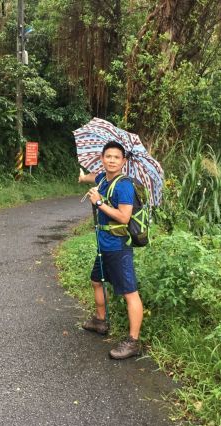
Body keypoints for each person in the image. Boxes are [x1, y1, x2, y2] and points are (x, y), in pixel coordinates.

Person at [78, 141, 143, 360]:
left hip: (118, 247)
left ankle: (133, 342)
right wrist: (82, 177)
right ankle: (100, 320)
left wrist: (98, 203)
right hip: (103, 246)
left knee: (129, 292)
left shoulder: (124, 185)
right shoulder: (102, 179)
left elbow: (124, 217)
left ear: (123, 161)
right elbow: (92, 176)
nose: (112, 160)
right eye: (108, 156)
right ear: (102, 158)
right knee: (97, 280)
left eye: (116, 157)